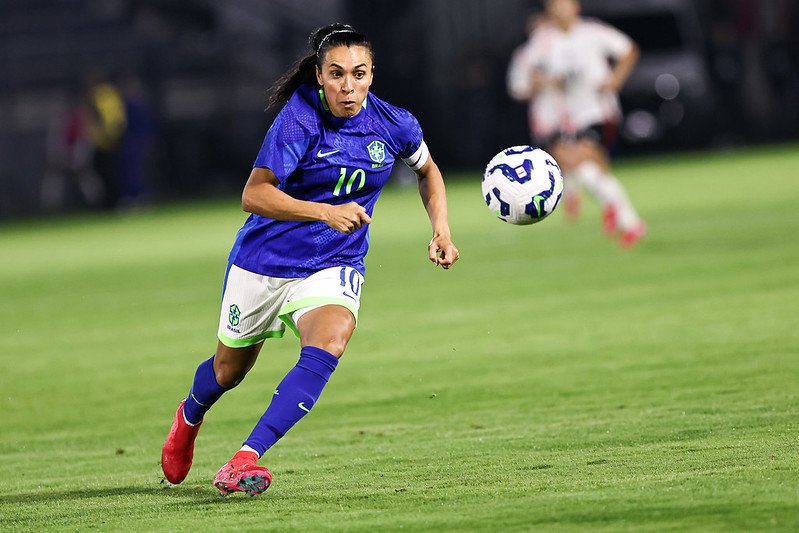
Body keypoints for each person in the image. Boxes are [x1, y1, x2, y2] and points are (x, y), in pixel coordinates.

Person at [161, 23, 460, 497]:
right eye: (337, 74)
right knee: (228, 372)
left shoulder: (394, 124)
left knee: (330, 343)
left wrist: (440, 228)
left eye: (359, 74)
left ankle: (244, 458)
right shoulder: (299, 119)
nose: (348, 86)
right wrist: (324, 211)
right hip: (265, 260)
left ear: (372, 74)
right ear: (319, 76)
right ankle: (189, 416)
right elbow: (254, 195)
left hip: (335, 262)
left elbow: (427, 170)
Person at [507, 0, 647, 248]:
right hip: (561, 120)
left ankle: (623, 217)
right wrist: (538, 84)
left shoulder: (593, 32)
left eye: (565, 4)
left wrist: (615, 80)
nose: (560, 9)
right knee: (587, 171)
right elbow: (518, 83)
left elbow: (629, 49)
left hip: (597, 112)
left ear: (576, 6)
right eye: (555, 5)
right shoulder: (541, 42)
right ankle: (613, 211)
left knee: (583, 164)